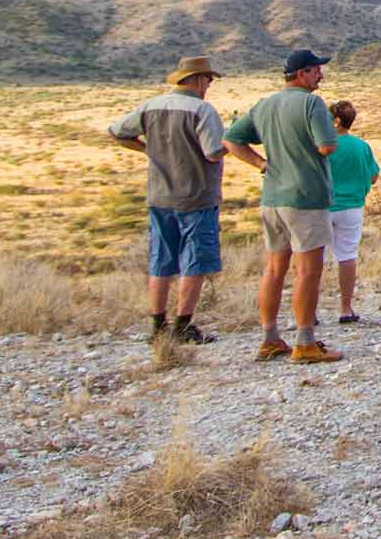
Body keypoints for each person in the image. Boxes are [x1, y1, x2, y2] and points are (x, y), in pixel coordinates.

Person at [224, 48, 343, 364]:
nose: (321, 75)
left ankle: (270, 338)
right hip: (306, 197)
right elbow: (327, 146)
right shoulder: (311, 103)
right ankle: (305, 341)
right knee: (308, 270)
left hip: (272, 196)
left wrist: (261, 164)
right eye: (317, 70)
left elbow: (232, 140)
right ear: (303, 73)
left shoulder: (264, 105)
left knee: (274, 268)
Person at [108, 55, 226, 344]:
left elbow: (116, 131)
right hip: (197, 195)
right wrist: (231, 143)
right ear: (198, 80)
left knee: (161, 259)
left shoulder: (152, 106)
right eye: (208, 80)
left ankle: (158, 325)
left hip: (160, 195)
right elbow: (212, 152)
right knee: (194, 260)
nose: (208, 85)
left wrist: (147, 150)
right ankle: (184, 324)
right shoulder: (202, 111)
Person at [326, 99, 380, 324]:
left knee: (313, 259)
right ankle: (346, 308)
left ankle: (308, 312)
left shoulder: (323, 146)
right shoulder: (361, 146)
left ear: (336, 121)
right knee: (347, 256)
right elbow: (374, 175)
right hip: (352, 206)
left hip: (323, 206)